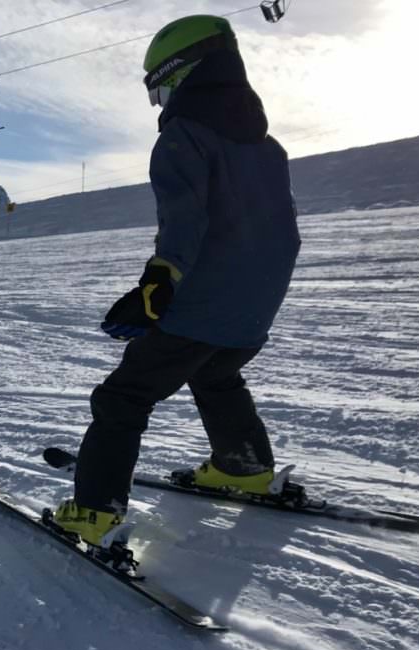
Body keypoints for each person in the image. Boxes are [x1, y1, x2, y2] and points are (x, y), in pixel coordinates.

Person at [52, 15, 301, 549]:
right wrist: (254, 296)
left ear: (185, 72)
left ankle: (95, 512)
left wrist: (155, 288)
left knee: (124, 397)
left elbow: (185, 223)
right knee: (216, 376)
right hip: (254, 309)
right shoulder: (269, 149)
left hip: (200, 303)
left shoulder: (184, 136)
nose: (161, 102)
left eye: (160, 88)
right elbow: (284, 234)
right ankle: (244, 468)